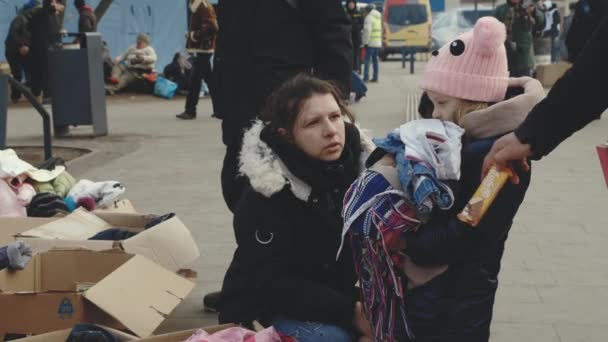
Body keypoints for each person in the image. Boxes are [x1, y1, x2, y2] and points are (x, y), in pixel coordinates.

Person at [345, 17, 540, 341]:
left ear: (475, 99)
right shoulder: (458, 138)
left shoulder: (502, 161)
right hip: (437, 291)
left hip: (458, 299)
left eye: (443, 104)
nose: (434, 113)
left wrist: (409, 243)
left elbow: (469, 229)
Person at [206, 0, 353, 314]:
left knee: (292, 207)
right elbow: (230, 45)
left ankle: (300, 289)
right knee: (242, 198)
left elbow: (336, 36)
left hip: (289, 115)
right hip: (240, 114)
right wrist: (225, 110)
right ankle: (248, 282)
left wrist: (324, 106)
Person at [217, 74, 374, 342]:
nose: (331, 130)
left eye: (335, 117)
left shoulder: (365, 169)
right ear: (286, 135)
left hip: (346, 293)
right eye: (313, 122)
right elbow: (272, 284)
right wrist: (352, 313)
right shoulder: (267, 190)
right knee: (331, 339)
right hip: (277, 303)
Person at [483, 0, 607, 174]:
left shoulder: (530, 9)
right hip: (509, 57)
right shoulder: (502, 10)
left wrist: (530, 133)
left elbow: (597, 70)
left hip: (524, 57)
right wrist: (530, 133)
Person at [176, 0, 218, 120]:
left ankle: (190, 111)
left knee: (195, 81)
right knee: (208, 81)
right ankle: (220, 108)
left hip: (203, 49)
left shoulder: (203, 6)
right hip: (201, 49)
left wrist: (194, 36)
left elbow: (212, 27)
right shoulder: (198, 6)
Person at [494, 0, 544, 77]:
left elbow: (541, 21)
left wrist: (533, 11)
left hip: (524, 58)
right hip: (506, 57)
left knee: (524, 84)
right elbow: (494, 29)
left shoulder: (527, 7)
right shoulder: (500, 10)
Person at [29, 0, 66, 103]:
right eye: (53, 1)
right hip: (42, 47)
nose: (56, 3)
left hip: (50, 47)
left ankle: (46, 95)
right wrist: (54, 8)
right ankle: (45, 96)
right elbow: (45, 12)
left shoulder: (53, 16)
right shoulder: (41, 13)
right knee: (43, 72)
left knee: (47, 72)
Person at [4, 1, 39, 103]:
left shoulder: (31, 20)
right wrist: (22, 45)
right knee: (17, 74)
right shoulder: (19, 19)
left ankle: (32, 94)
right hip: (13, 51)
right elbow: (13, 34)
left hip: (23, 51)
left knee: (30, 71)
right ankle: (15, 97)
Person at [362, 4, 382, 83]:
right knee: (375, 60)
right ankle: (375, 77)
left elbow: (367, 31)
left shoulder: (369, 18)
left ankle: (366, 77)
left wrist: (365, 42)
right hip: (377, 42)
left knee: (367, 60)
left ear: (368, 10)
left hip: (371, 42)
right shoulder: (378, 17)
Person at [346, 0, 364, 73]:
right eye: (350, 3)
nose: (351, 5)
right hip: (348, 36)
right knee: (349, 53)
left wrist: (356, 28)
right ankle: (350, 69)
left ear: (355, 4)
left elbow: (362, 24)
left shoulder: (359, 13)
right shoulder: (345, 13)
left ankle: (358, 68)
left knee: (357, 53)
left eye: (352, 3)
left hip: (356, 36)